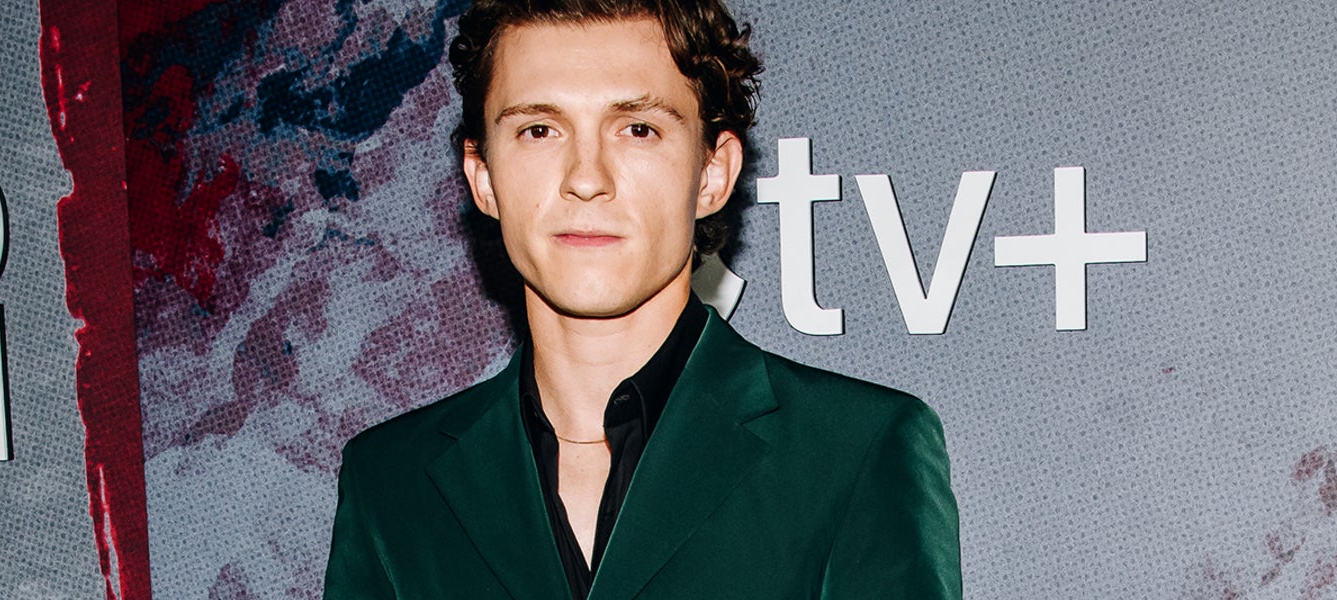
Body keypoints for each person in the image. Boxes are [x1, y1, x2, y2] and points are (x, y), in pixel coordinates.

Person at [323, 1, 961, 598]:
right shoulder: (391, 483)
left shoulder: (854, 452)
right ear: (483, 177)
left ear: (712, 174)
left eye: (637, 129)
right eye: (540, 130)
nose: (586, 179)